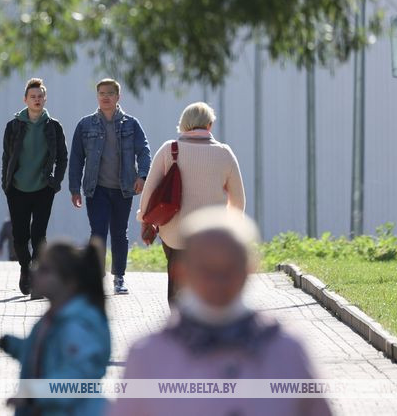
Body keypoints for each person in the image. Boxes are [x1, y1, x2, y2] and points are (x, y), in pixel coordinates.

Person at [110, 207, 332, 416]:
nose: (218, 280)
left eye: (230, 267)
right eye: (206, 268)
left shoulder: (285, 349)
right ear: (180, 272)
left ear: (250, 269)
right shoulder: (149, 355)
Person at [137, 101, 245, 302]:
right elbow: (238, 201)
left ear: (183, 124)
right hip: (211, 236)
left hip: (174, 233)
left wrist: (144, 219)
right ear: (209, 125)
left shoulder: (169, 149)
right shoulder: (225, 153)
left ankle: (180, 319)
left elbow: (149, 190)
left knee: (178, 289)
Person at [0, 240, 111, 416]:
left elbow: (76, 378)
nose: (34, 272)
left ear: (69, 282)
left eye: (44, 269)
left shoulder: (75, 325)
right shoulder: (54, 318)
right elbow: (44, 352)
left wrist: (33, 395)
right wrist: (7, 343)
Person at [68, 78, 151, 295]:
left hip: (123, 188)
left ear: (118, 97)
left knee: (119, 233)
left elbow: (144, 151)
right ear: (97, 96)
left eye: (110, 93)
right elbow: (76, 158)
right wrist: (74, 188)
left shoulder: (131, 124)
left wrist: (142, 176)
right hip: (96, 188)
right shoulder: (85, 125)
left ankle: (119, 277)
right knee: (98, 233)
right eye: (101, 93)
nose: (105, 97)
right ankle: (95, 278)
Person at [2, 78, 68, 297]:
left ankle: (38, 275)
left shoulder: (54, 127)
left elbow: (62, 158)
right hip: (17, 188)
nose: (37, 100)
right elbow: (7, 157)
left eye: (40, 96)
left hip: (43, 189)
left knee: (39, 235)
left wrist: (55, 182)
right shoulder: (14, 126)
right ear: (25, 100)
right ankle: (25, 268)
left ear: (45, 99)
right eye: (33, 97)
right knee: (20, 236)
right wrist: (6, 183)